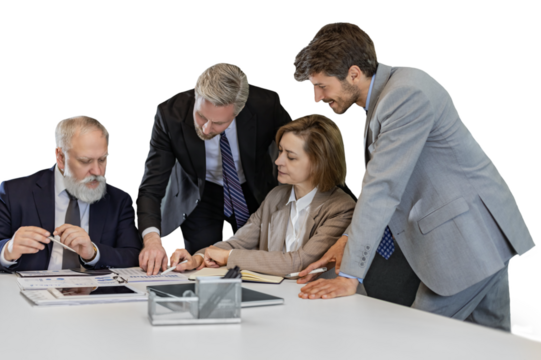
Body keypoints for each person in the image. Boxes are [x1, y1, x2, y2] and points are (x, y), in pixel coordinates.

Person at [291, 22, 537, 331]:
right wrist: (347, 240)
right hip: (479, 240)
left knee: (416, 339)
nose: (316, 97)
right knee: (490, 344)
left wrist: (350, 276)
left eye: (321, 86)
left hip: (468, 243)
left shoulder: (405, 93)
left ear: (353, 73)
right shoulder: (388, 95)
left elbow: (382, 187)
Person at [136, 61, 292, 275]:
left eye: (218, 123)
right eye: (201, 116)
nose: (206, 128)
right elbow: (151, 185)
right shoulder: (169, 114)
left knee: (257, 263)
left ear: (237, 112)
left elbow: (299, 149)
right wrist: (151, 238)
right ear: (196, 96)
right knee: (200, 267)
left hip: (253, 188)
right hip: (201, 194)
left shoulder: (266, 105)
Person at [167, 113, 355, 277]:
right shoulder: (276, 196)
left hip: (319, 303)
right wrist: (198, 258)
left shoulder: (342, 208)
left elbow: (298, 263)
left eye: (290, 157)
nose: (278, 161)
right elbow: (239, 241)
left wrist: (229, 257)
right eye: (280, 151)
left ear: (318, 163)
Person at [0, 115, 142, 272]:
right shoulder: (14, 193)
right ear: (60, 157)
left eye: (103, 159)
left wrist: (93, 253)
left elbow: (133, 256)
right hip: (26, 301)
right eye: (86, 161)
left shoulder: (119, 200)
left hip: (93, 298)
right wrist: (8, 250)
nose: (97, 170)